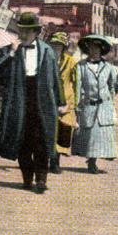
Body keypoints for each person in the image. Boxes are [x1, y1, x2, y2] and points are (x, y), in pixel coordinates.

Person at [0, 12, 63, 194]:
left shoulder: (47, 51)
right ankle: (27, 177)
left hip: (42, 100)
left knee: (42, 141)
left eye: (27, 31)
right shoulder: (10, 49)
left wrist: (61, 101)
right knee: (22, 141)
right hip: (19, 98)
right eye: (20, 30)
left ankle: (41, 179)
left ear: (35, 32)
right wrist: (11, 53)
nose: (22, 35)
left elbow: (56, 78)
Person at [71, 35, 118, 174]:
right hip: (88, 105)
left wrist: (111, 102)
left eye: (97, 48)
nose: (94, 50)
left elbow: (112, 86)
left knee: (101, 135)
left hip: (104, 106)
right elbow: (78, 86)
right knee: (89, 135)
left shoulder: (109, 67)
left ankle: (93, 161)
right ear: (87, 49)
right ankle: (91, 162)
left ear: (101, 50)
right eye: (91, 48)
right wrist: (77, 105)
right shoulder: (81, 66)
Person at [47, 31, 78, 175]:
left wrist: (73, 104)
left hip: (66, 100)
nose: (55, 48)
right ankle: (50, 160)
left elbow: (77, 83)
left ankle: (55, 161)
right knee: (49, 132)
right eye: (53, 45)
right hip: (49, 100)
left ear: (63, 47)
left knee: (62, 132)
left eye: (58, 46)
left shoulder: (70, 61)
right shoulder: (45, 60)